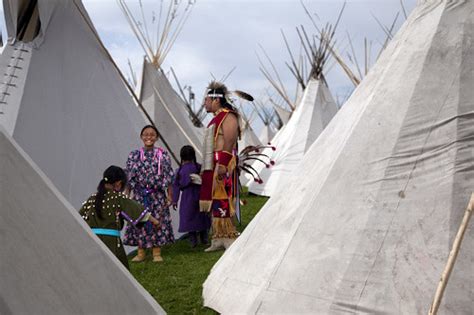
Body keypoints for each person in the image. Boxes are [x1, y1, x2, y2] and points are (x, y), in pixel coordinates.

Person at [79, 165, 159, 270]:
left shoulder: (92, 198)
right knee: (116, 273)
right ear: (118, 183)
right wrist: (155, 221)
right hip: (111, 243)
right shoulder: (117, 197)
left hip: (91, 242)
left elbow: (79, 217)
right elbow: (137, 210)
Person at [123, 125, 175, 262]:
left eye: (152, 134)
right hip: (140, 196)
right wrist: (126, 195)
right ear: (141, 137)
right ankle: (141, 253)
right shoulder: (134, 155)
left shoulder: (162, 155)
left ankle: (156, 252)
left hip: (157, 196)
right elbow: (129, 178)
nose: (149, 137)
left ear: (157, 137)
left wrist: (170, 195)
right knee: (139, 221)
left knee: (157, 222)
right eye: (146, 134)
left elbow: (169, 177)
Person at [199, 81, 240, 252]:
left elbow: (229, 141)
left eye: (207, 99)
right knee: (214, 198)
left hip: (221, 163)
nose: (204, 103)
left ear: (216, 99)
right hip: (212, 163)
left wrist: (222, 164)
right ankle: (218, 237)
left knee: (222, 198)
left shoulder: (228, 116)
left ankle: (228, 236)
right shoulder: (216, 117)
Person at [172, 145, 211, 247]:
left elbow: (176, 186)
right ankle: (204, 238)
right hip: (199, 194)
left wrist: (174, 200)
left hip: (187, 197)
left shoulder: (180, 170)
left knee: (189, 217)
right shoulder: (198, 167)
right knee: (202, 215)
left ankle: (193, 239)